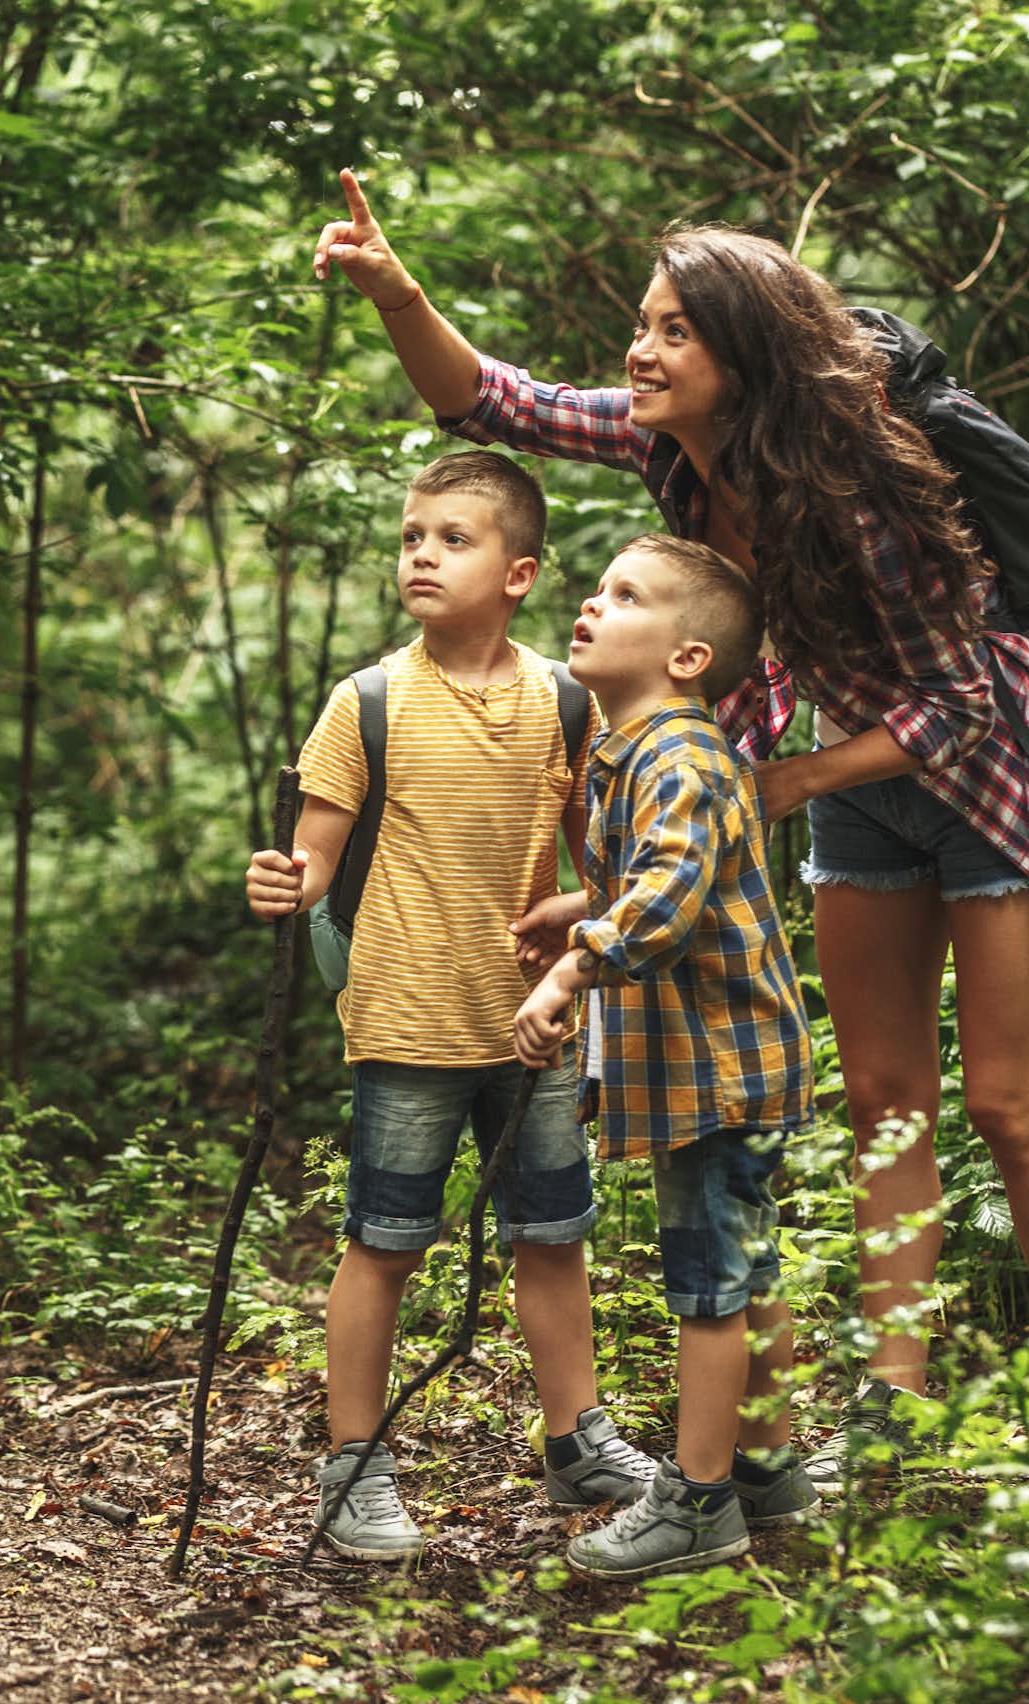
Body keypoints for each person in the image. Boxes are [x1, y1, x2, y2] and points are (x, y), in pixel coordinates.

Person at [317, 169, 1029, 1484]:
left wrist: (789, 784)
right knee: (882, 1098)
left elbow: (964, 696)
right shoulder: (669, 452)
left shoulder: (857, 489)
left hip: (995, 770)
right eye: (642, 325)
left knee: (1005, 1101)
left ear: (741, 354)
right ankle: (896, 1401)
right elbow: (490, 400)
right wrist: (395, 286)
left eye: (674, 331)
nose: (641, 351)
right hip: (853, 771)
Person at [243, 450, 655, 1563]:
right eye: (412, 535)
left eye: (452, 538)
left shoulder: (568, 702)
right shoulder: (365, 701)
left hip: (535, 1025)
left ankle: (576, 1438)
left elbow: (607, 870)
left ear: (519, 572)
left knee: (552, 1236)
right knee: (382, 1242)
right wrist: (279, 881)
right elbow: (312, 862)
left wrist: (574, 925)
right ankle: (353, 1462)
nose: (422, 553)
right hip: (407, 1019)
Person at [512, 535, 817, 1578]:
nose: (592, 605)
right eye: (595, 589)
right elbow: (657, 877)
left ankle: (698, 1502)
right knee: (745, 1268)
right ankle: (765, 1465)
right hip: (715, 1068)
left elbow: (662, 901)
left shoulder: (679, 756)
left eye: (625, 595)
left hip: (717, 1072)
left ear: (687, 655)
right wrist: (576, 905)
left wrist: (566, 971)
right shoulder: (639, 752)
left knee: (708, 1286)